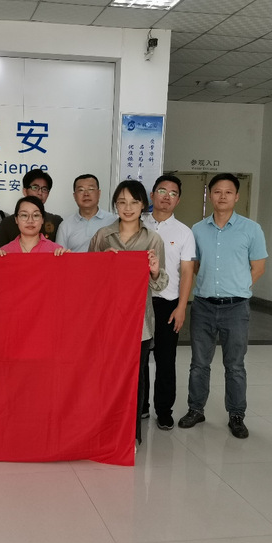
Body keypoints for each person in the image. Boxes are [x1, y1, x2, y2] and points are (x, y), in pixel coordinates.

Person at [177, 173, 267, 439]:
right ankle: (196, 409)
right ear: (210, 195)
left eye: (228, 192)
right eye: (217, 191)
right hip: (203, 305)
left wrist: (238, 287)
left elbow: (258, 267)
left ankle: (236, 415)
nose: (223, 196)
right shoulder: (197, 229)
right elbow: (193, 265)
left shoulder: (251, 229)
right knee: (199, 363)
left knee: (235, 365)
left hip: (236, 308)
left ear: (237, 196)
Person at [88, 180, 168, 446]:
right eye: (121, 202)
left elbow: (160, 284)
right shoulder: (102, 236)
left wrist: (154, 271)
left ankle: (130, 435)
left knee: (135, 380)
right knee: (105, 377)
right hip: (106, 321)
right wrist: (102, 262)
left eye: (134, 202)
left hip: (138, 323)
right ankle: (103, 430)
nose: (128, 207)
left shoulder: (152, 239)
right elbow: (87, 278)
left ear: (143, 204)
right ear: (115, 205)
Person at [141, 175, 195, 430]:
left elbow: (186, 272)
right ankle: (141, 406)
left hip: (167, 303)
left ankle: (164, 410)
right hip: (139, 302)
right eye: (162, 191)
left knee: (165, 359)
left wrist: (182, 307)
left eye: (173, 193)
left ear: (178, 200)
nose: (167, 197)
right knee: (138, 358)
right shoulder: (137, 223)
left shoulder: (184, 232)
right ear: (152, 195)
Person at [0, 169, 63, 247]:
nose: (40, 193)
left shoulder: (56, 221)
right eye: (35, 187)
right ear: (25, 191)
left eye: (44, 189)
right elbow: (0, 253)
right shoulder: (7, 223)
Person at [56, 174, 116, 252]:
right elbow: (59, 255)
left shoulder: (113, 220)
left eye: (91, 189)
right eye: (81, 190)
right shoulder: (65, 226)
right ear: (74, 196)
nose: (86, 194)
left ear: (99, 193)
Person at [0, 196, 68, 256]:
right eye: (24, 215)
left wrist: (67, 259)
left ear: (42, 220)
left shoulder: (56, 251)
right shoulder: (4, 252)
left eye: (36, 215)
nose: (30, 221)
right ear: (16, 219)